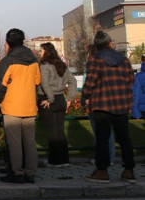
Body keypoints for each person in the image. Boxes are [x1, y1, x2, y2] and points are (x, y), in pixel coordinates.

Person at [82, 31, 136, 183]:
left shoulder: (95, 60)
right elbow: (131, 80)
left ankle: (102, 171)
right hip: (121, 104)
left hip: (102, 104)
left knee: (102, 139)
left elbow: (90, 83)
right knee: (124, 138)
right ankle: (129, 170)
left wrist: (85, 96)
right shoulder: (124, 60)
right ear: (110, 43)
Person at [0, 28, 41, 184]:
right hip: (29, 106)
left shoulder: (7, 61)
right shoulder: (34, 60)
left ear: (8, 43)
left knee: (14, 142)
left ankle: (17, 173)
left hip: (12, 107)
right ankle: (30, 173)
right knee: (29, 141)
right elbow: (37, 82)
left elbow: (0, 86)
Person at [37, 42, 77, 167]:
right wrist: (69, 98)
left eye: (41, 50)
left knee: (51, 132)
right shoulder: (62, 65)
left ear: (45, 52)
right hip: (60, 98)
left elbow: (44, 83)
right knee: (60, 130)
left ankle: (54, 160)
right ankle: (64, 159)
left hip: (48, 100)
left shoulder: (44, 66)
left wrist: (49, 98)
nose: (39, 53)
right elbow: (73, 81)